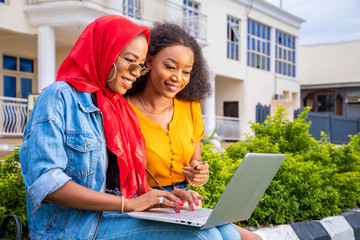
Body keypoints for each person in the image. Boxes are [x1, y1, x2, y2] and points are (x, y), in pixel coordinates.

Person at [19, 15, 240, 240]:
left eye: (140, 65)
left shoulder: (115, 105)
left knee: (227, 234)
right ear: (105, 51)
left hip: (114, 216)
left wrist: (160, 197)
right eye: (129, 60)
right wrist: (129, 203)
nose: (136, 71)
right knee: (204, 238)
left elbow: (116, 185)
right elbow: (46, 183)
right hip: (74, 227)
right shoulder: (58, 97)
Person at [125, 22, 262, 240]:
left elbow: (195, 170)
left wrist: (198, 174)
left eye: (186, 71)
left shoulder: (190, 105)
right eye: (170, 67)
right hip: (146, 203)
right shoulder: (124, 109)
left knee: (254, 239)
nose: (178, 78)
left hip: (184, 202)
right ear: (149, 61)